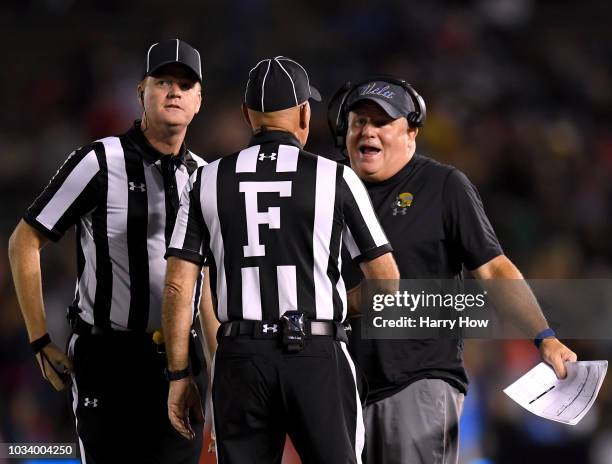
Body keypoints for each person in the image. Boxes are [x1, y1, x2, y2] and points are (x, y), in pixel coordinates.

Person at [161, 56, 400, 464]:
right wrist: (340, 303)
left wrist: (179, 374)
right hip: (316, 352)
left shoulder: (207, 179)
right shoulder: (336, 177)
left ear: (247, 116)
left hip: (240, 357)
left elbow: (178, 286)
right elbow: (387, 281)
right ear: (305, 112)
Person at [327, 76, 578, 464]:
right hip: (339, 387)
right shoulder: (325, 189)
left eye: (382, 122)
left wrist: (544, 336)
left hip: (417, 381)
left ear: (411, 132)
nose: (368, 131)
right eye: (359, 121)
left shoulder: (443, 186)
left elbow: (494, 269)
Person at [8, 39, 209, 464]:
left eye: (185, 84)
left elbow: (209, 281)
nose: (174, 91)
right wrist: (39, 339)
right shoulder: (99, 160)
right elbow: (25, 239)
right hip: (108, 358)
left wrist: (217, 361)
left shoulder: (206, 176)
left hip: (180, 361)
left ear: (198, 101)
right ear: (141, 93)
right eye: (163, 81)